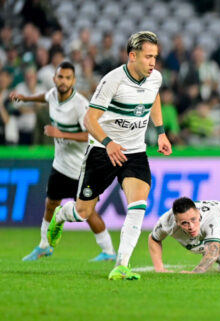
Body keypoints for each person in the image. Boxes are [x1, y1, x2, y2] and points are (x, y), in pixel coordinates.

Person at [48, 31, 172, 280]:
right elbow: (89, 119)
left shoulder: (154, 78)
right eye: (148, 57)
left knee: (138, 205)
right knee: (83, 212)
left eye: (155, 57)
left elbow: (154, 98)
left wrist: (160, 132)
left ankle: (122, 264)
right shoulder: (113, 80)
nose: (152, 63)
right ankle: (61, 216)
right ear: (132, 56)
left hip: (134, 152)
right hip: (102, 152)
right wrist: (108, 143)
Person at [10, 62, 116, 262]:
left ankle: (109, 251)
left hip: (81, 168)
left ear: (73, 81)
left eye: (68, 78)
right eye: (61, 77)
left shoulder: (80, 105)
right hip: (60, 165)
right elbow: (45, 97)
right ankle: (44, 246)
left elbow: (91, 134)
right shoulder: (52, 95)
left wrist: (60, 133)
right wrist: (25, 98)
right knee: (50, 204)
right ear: (54, 79)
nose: (64, 81)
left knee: (88, 212)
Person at [148, 197, 220, 274]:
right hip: (205, 237)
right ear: (176, 222)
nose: (191, 226)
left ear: (198, 213)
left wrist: (195, 273)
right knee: (201, 247)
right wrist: (159, 268)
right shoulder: (167, 222)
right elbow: (153, 239)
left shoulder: (210, 219)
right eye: (184, 223)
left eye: (193, 219)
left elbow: (213, 252)